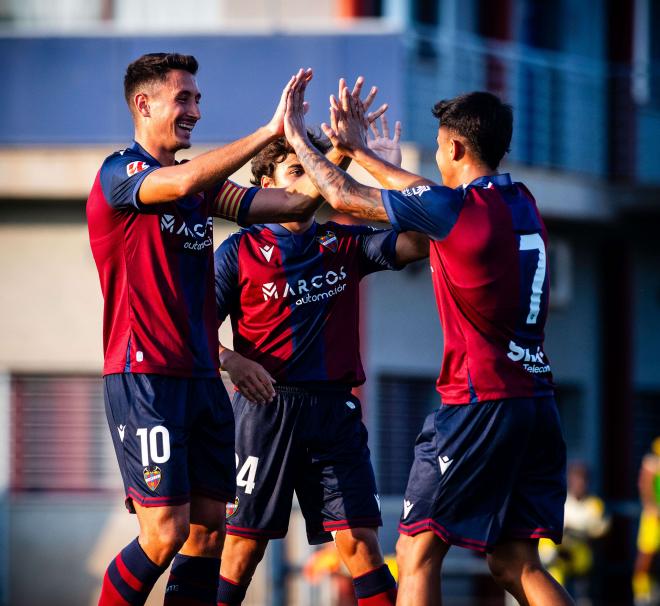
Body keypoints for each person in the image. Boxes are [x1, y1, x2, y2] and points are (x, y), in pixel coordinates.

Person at [280, 75, 575, 605]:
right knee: (515, 562)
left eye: (440, 148)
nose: (437, 158)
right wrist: (364, 151)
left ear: (457, 146)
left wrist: (301, 139)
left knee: (416, 553)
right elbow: (426, 196)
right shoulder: (519, 200)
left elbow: (345, 194)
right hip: (535, 402)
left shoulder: (453, 210)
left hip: (478, 403)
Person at [86, 54, 363, 605]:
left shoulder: (199, 192)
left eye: (197, 98)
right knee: (163, 533)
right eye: (183, 99)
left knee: (209, 531)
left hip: (202, 382)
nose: (195, 110)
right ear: (144, 104)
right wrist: (268, 129)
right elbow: (183, 177)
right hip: (146, 377)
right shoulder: (122, 173)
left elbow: (297, 202)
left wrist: (342, 151)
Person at [213, 120, 428, 606]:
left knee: (361, 546)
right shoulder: (239, 253)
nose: (312, 179)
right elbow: (190, 334)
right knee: (241, 551)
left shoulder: (343, 242)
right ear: (267, 187)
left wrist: (384, 169)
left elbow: (417, 243)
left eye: (319, 168)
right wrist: (231, 360)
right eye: (298, 169)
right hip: (265, 413)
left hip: (334, 414)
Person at [539, 462, 610, 604]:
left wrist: (578, 532)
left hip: (581, 563)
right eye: (576, 478)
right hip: (557, 562)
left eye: (583, 479)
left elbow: (599, 531)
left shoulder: (594, 504)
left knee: (582, 598)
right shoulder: (561, 502)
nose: (580, 483)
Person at [633, 437, 660, 605]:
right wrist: (653, 508)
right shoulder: (651, 462)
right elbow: (646, 486)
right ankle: (642, 596)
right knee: (645, 559)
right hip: (653, 519)